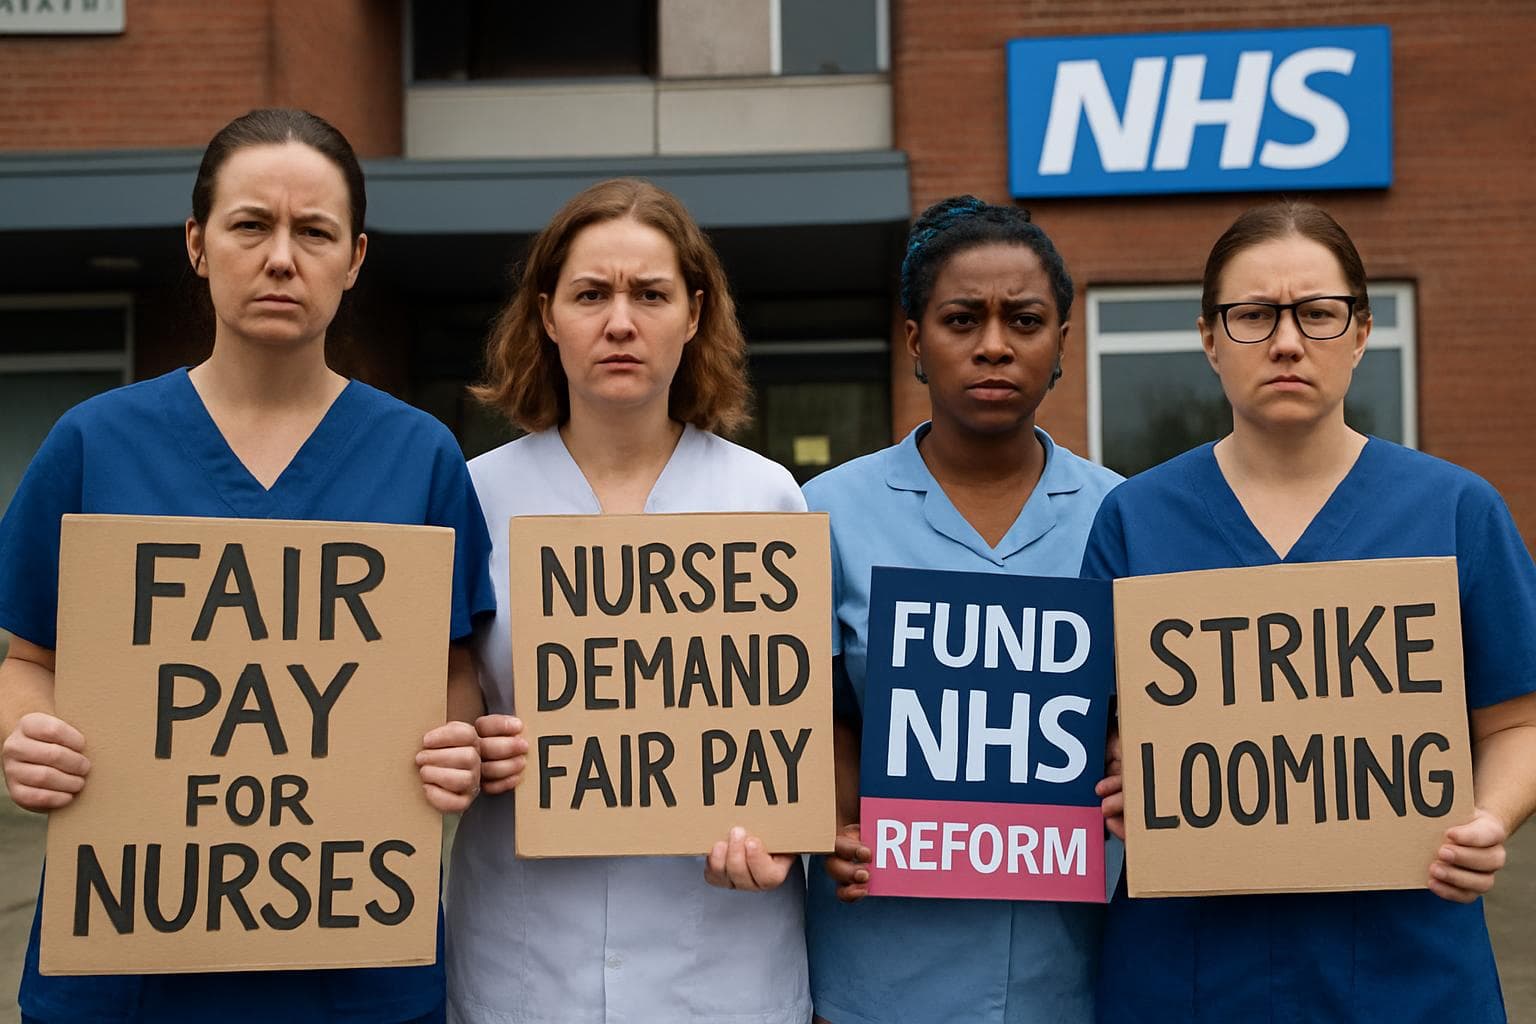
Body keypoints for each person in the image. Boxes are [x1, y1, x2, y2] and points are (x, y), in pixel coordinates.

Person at [0, 108, 496, 1023]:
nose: (281, 258)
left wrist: (450, 742)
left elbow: (452, 667)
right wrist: (25, 735)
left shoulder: (420, 455)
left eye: (314, 232)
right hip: (125, 968)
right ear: (196, 243)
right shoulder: (93, 444)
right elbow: (26, 657)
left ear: (354, 260)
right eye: (250, 225)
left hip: (357, 970)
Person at [1087, 201, 1536, 1023]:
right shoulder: (1134, 519)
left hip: (1409, 969)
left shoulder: (1458, 511)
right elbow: (1097, 725)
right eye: (1253, 315)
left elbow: (1517, 721)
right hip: (1188, 973)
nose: (1287, 341)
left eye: (1318, 314)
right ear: (1210, 337)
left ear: (1361, 333)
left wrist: (1486, 820)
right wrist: (1122, 774)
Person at [447, 177, 810, 1024]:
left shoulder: (767, 501)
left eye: (650, 294)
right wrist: (472, 745)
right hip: (524, 960)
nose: (620, 322)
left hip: (720, 963)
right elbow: (433, 705)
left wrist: (785, 833)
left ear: (693, 312)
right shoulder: (473, 497)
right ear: (545, 314)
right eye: (590, 294)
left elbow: (800, 723)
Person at [801, 196, 1122, 1024]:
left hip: (1078, 967)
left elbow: (1146, 714)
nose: (993, 345)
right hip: (882, 965)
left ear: (1060, 345)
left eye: (1024, 319)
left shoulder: (1126, 516)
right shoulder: (822, 513)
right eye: (960, 318)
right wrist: (835, 819)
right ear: (916, 342)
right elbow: (816, 713)